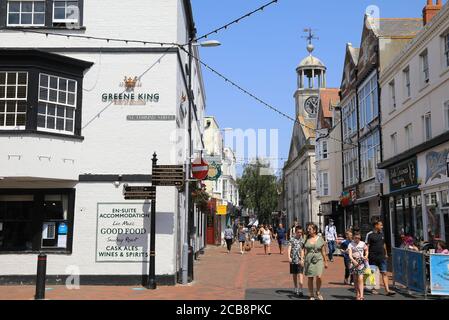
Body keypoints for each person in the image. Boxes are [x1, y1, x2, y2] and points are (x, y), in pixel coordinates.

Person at [366, 219, 396, 296]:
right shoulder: (370, 235)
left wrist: (386, 253)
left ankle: (387, 290)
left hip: (382, 257)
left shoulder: (382, 234)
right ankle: (373, 289)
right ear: (376, 226)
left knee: (384, 272)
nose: (382, 227)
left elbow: (384, 244)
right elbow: (367, 246)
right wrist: (366, 256)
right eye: (381, 225)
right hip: (373, 257)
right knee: (373, 273)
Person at [302, 223, 328, 300]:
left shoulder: (320, 239)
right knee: (310, 277)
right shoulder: (306, 238)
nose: (308, 230)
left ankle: (318, 291)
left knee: (319, 276)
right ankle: (311, 294)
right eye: (308, 229)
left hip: (319, 259)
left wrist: (325, 261)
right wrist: (302, 259)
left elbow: (323, 251)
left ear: (315, 230)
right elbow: (303, 250)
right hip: (309, 259)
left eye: (310, 229)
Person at [348, 229, 369, 300]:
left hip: (361, 262)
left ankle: (361, 295)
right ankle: (357, 294)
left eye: (359, 238)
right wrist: (353, 261)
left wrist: (366, 256)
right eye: (356, 238)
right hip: (353, 262)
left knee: (360, 278)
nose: (357, 239)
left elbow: (366, 250)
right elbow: (350, 255)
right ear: (353, 237)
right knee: (355, 279)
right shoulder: (350, 244)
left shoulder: (362, 243)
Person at [288, 225, 305, 296]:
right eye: (298, 232)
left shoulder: (302, 240)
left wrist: (302, 258)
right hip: (293, 259)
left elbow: (302, 250)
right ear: (295, 232)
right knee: (294, 274)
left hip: (300, 259)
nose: (300, 233)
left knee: (300, 274)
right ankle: (295, 288)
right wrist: (289, 257)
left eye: (301, 232)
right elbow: (289, 248)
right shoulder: (292, 239)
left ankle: (300, 289)